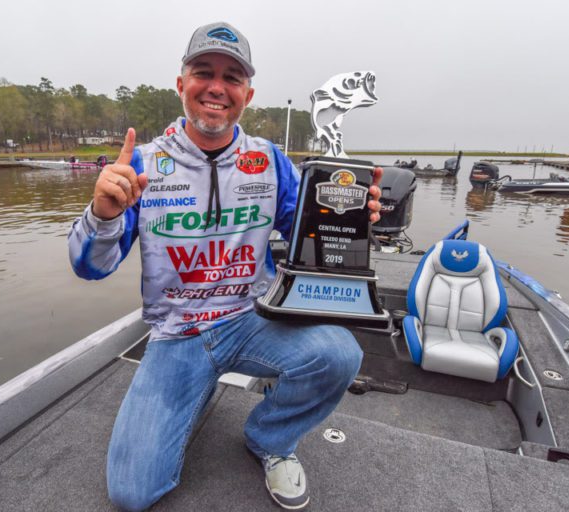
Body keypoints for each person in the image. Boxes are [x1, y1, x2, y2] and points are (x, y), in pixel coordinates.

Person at [68, 21, 382, 511]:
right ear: (181, 84)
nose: (217, 86)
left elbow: (309, 237)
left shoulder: (269, 160)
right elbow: (92, 268)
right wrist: (103, 215)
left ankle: (270, 439)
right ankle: (191, 392)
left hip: (252, 319)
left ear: (247, 94)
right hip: (177, 334)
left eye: (232, 77)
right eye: (203, 71)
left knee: (340, 353)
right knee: (131, 494)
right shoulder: (143, 166)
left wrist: (352, 216)